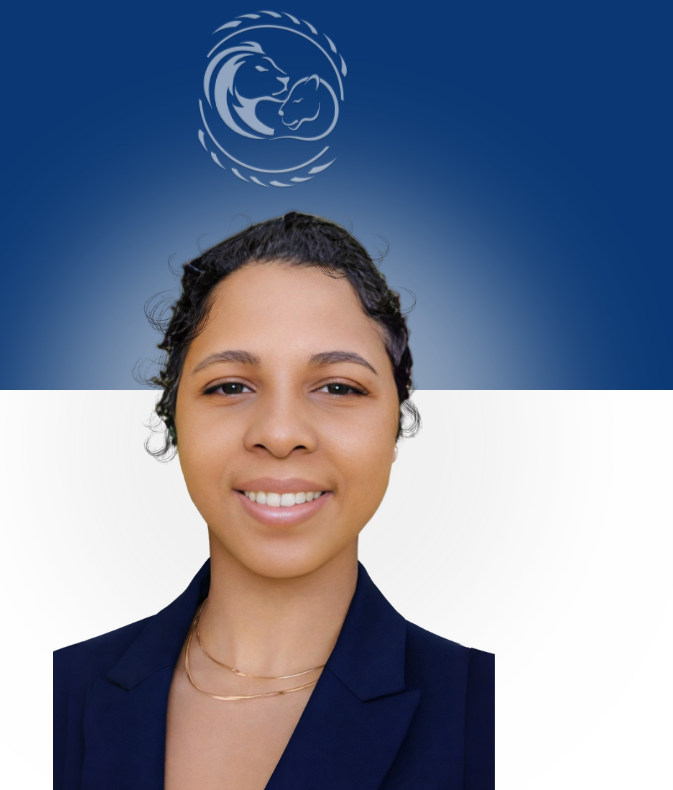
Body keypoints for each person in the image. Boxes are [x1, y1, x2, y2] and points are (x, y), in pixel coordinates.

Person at [53, 211, 494, 790]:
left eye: (339, 386)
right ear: (174, 419)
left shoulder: (492, 712)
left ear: (395, 426)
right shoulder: (51, 694)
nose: (281, 433)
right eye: (230, 386)